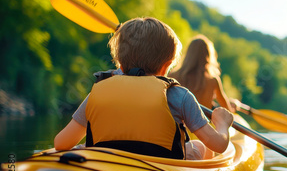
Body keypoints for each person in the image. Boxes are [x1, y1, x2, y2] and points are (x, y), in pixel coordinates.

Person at [54, 17, 233, 161]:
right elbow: (218, 145)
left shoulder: (98, 92)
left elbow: (61, 143)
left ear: (120, 64)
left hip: (107, 164)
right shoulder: (180, 95)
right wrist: (222, 123)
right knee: (201, 147)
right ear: (167, 66)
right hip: (164, 168)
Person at [170, 35, 237, 113]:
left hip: (174, 123)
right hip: (201, 125)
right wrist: (233, 107)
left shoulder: (172, 76)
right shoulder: (213, 81)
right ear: (208, 56)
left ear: (188, 54)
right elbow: (227, 110)